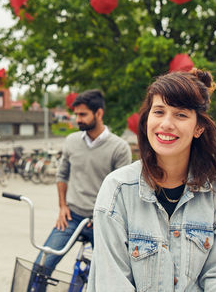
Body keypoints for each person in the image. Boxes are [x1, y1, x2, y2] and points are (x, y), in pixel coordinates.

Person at [87, 70, 216, 291]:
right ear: (147, 120)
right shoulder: (117, 189)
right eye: (159, 111)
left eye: (181, 115)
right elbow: (111, 281)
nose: (166, 123)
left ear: (199, 128)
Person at [31, 89, 132, 285]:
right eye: (76, 114)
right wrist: (62, 207)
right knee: (40, 267)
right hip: (72, 217)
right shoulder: (71, 141)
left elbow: (123, 192)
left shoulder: (119, 148)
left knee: (109, 278)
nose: (77, 119)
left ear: (99, 113)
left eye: (82, 114)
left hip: (103, 221)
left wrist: (105, 216)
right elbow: (62, 175)